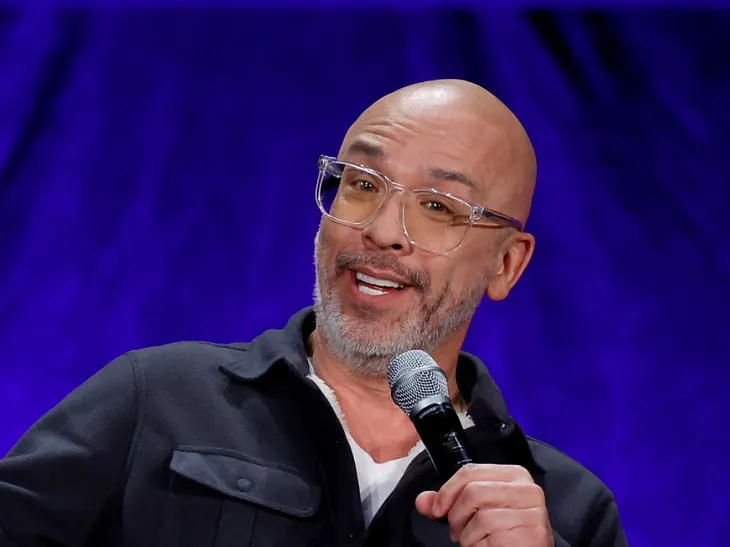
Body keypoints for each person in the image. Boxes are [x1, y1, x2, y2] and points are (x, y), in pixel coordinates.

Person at [0, 79, 628, 547]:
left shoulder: (566, 509)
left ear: (506, 265)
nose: (382, 231)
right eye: (362, 183)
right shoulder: (151, 400)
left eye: (439, 206)